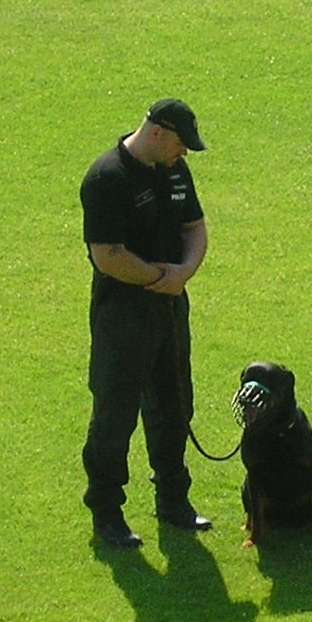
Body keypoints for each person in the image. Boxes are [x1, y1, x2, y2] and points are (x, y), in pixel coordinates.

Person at [81, 98, 212, 548]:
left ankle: (174, 501)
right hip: (122, 312)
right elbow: (108, 255)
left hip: (169, 307)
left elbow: (195, 226)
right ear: (157, 132)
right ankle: (106, 512)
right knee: (115, 415)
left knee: (175, 406)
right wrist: (160, 278)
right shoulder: (107, 178)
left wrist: (184, 272)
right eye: (180, 143)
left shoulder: (175, 170)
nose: (185, 152)